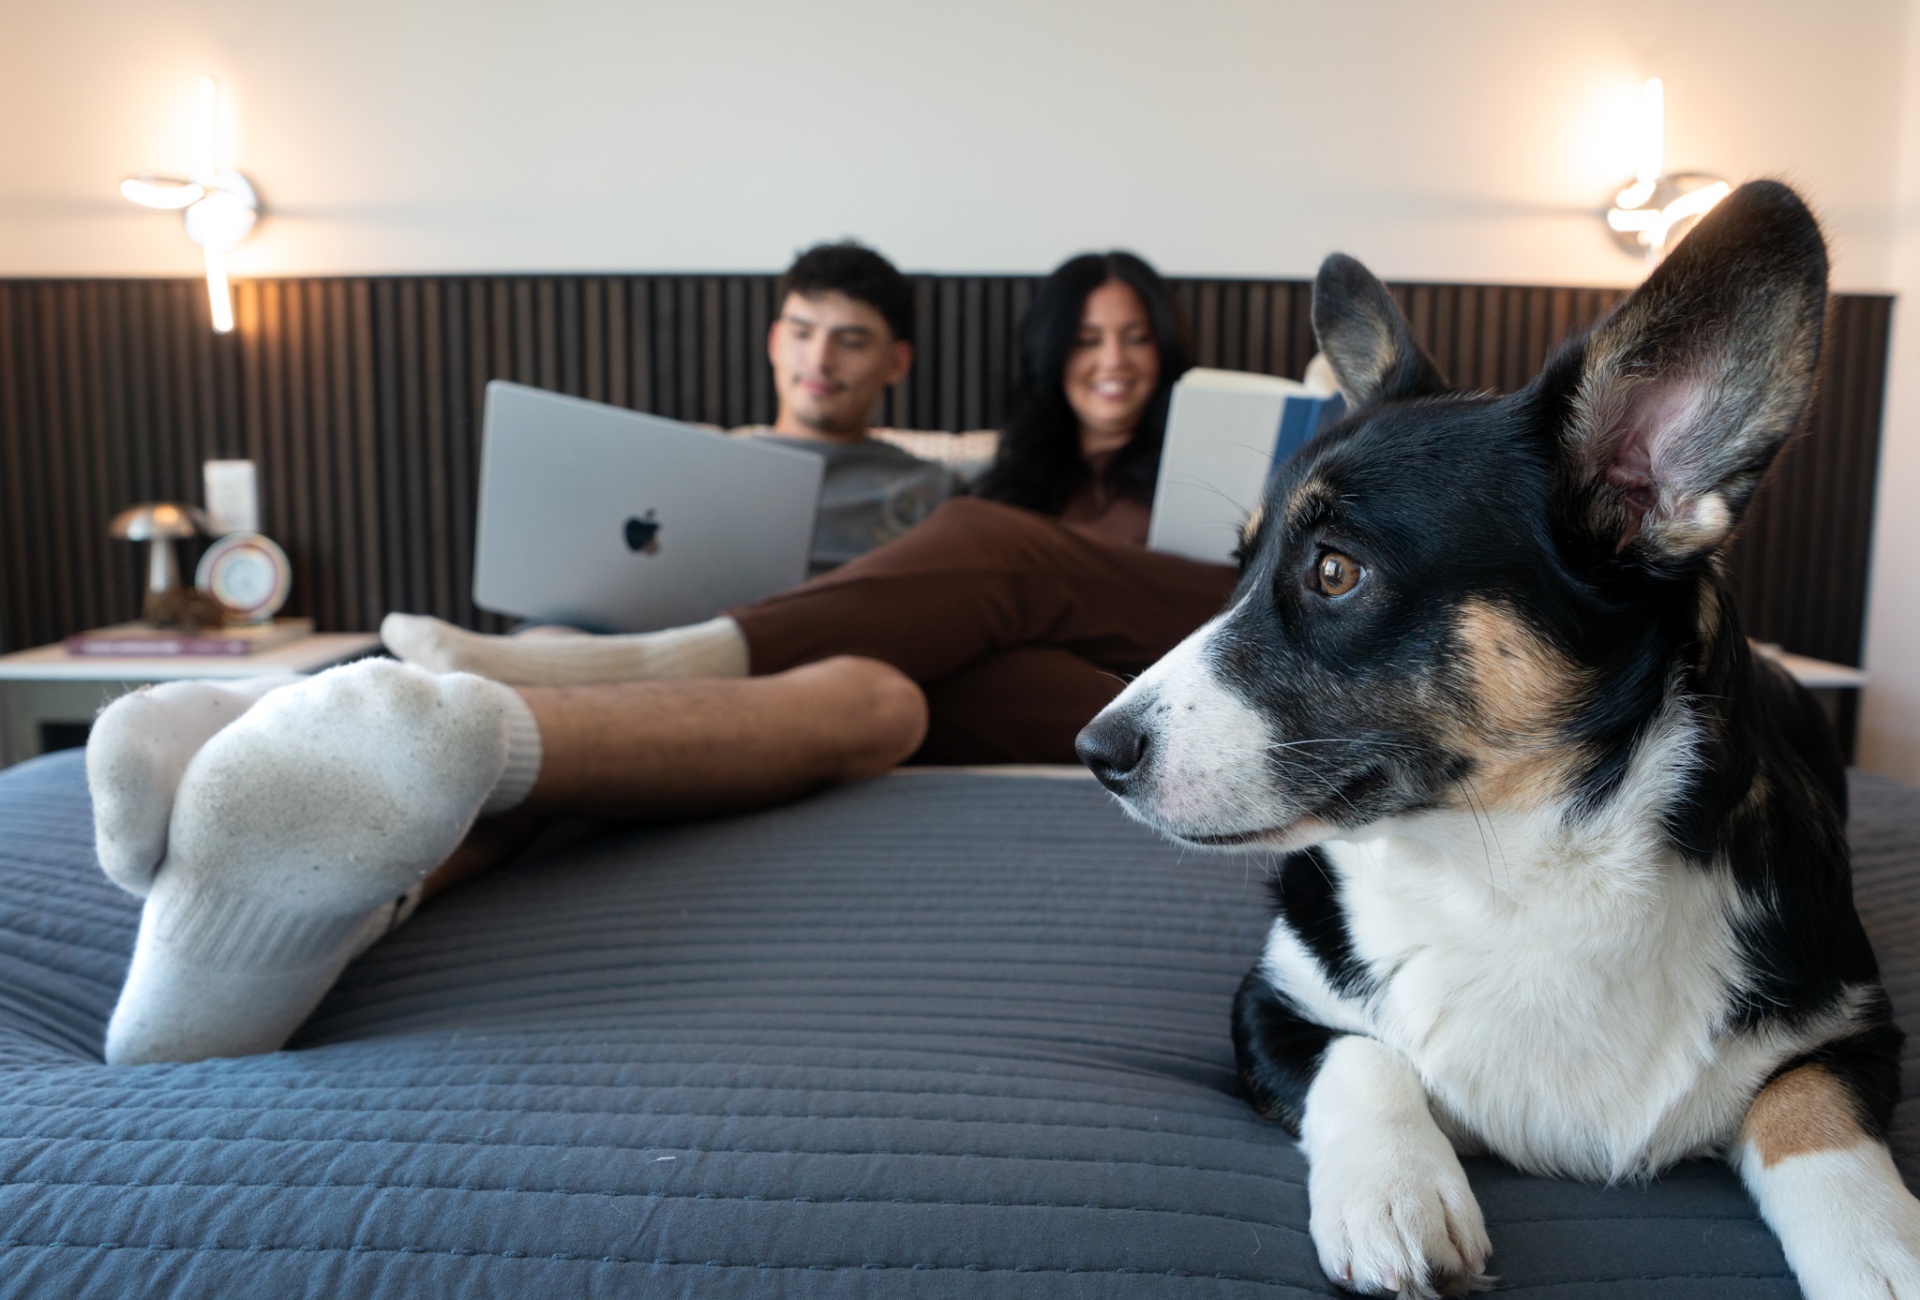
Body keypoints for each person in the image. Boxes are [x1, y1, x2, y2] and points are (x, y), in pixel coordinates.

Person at [88, 250, 1239, 1066]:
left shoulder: (1001, 498)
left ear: (896, 360)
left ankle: (312, 719)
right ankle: (283, 882)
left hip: (889, 675)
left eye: (1135, 336)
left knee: (885, 684)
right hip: (697, 650)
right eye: (1088, 337)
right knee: (816, 680)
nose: (1113, 359)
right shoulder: (965, 481)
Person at [748, 240, 963, 572]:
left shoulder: (936, 490)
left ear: (896, 362)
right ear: (775, 343)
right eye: (802, 334)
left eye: (850, 343)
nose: (820, 360)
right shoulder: (705, 471)